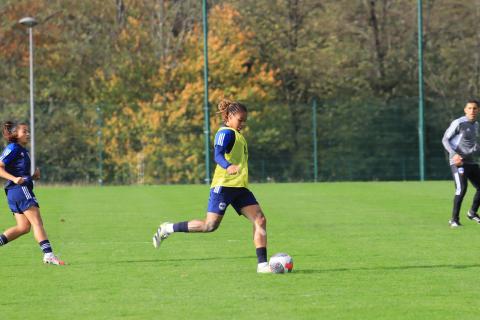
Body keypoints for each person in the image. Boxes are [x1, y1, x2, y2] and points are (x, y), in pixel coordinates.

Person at [153, 99, 271, 273]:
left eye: (245, 120)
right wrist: (228, 166)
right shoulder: (225, 133)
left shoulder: (238, 134)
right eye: (240, 120)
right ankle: (168, 228)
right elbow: (217, 155)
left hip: (240, 188)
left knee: (260, 219)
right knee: (210, 226)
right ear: (229, 117)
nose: (243, 124)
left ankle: (262, 265)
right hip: (223, 187)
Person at [0, 121, 65, 265]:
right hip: (19, 190)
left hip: (14, 192)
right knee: (37, 222)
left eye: (28, 131)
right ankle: (48, 255)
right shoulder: (13, 148)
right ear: (15, 134)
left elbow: (19, 173)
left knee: (23, 227)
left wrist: (32, 177)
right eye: (24, 131)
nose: (28, 134)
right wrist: (14, 179)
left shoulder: (21, 150)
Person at [442, 100, 480, 227]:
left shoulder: (476, 125)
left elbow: (472, 145)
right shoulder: (459, 123)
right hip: (458, 162)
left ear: (478, 110)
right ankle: (454, 219)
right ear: (465, 110)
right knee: (462, 188)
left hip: (471, 162)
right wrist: (454, 155)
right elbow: (445, 139)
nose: (472, 111)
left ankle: (472, 213)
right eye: (469, 108)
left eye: (475, 108)